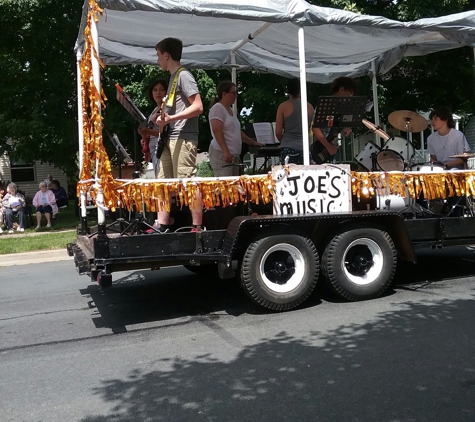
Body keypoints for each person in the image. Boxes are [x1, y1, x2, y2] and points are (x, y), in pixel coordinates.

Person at [153, 37, 204, 232]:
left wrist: (170, 119)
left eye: (158, 55)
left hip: (183, 137)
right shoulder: (174, 77)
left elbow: (198, 106)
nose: (157, 60)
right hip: (170, 136)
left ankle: (197, 227)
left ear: (166, 55)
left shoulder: (184, 75)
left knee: (187, 181)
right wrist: (162, 118)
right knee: (163, 181)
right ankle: (162, 224)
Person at [208, 81, 263, 176]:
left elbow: (237, 132)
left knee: (234, 187)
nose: (236, 96)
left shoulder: (231, 110)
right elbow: (217, 130)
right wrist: (226, 151)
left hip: (233, 155)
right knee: (226, 187)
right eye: (233, 93)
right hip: (222, 154)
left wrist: (252, 142)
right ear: (224, 94)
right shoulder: (218, 108)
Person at [427, 106, 470, 217]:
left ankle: (456, 211)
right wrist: (437, 166)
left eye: (436, 118)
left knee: (455, 173)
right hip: (440, 169)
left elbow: (462, 160)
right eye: (432, 119)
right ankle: (431, 210)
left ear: (445, 119)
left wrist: (446, 165)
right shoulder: (431, 138)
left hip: (454, 167)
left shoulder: (457, 135)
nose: (433, 121)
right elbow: (433, 158)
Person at [312, 77, 357, 161]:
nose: (349, 99)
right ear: (341, 89)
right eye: (348, 95)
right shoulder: (325, 105)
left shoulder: (343, 108)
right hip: (319, 149)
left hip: (332, 151)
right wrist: (328, 146)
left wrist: (344, 133)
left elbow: (337, 135)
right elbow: (315, 128)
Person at [275, 78, 314, 165]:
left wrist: (284, 141)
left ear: (287, 90)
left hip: (288, 148)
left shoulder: (283, 106)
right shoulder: (310, 107)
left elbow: (278, 132)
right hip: (305, 148)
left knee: (288, 177)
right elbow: (312, 129)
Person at [137, 79, 169, 177]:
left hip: (162, 149)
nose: (158, 93)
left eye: (161, 89)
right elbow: (149, 133)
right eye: (155, 90)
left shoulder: (166, 109)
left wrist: (147, 131)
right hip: (153, 149)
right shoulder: (154, 110)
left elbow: (164, 133)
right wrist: (143, 135)